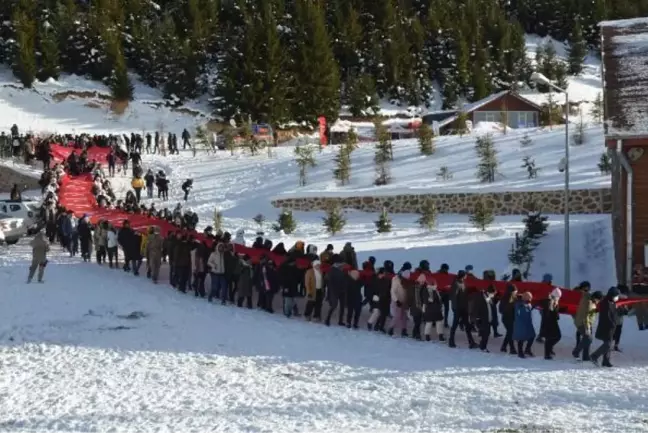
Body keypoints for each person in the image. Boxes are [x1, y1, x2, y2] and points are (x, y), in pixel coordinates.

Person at [591, 287, 620, 367]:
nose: (617, 297)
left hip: (611, 327)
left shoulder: (612, 302)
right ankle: (594, 356)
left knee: (609, 343)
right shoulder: (605, 303)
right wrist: (612, 323)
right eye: (616, 295)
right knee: (607, 344)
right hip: (606, 327)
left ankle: (606, 361)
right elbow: (606, 316)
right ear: (612, 295)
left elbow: (614, 314)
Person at [448, 270, 477, 348]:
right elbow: (453, 297)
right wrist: (455, 308)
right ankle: (451, 341)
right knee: (455, 325)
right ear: (463, 276)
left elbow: (464, 294)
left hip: (464, 308)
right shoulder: (456, 284)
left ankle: (471, 342)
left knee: (467, 326)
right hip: (458, 309)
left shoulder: (462, 283)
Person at [572, 289, 603, 361]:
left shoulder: (587, 298)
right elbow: (586, 317)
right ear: (595, 298)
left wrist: (595, 310)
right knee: (588, 338)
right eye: (598, 300)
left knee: (587, 339)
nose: (598, 302)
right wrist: (587, 328)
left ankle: (585, 357)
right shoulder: (589, 303)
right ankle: (576, 352)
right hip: (582, 322)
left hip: (584, 321)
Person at [540, 288, 562, 360]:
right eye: (558, 297)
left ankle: (549, 350)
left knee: (556, 337)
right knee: (550, 338)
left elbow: (555, 312)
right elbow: (548, 313)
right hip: (549, 323)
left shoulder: (555, 302)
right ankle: (547, 354)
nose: (558, 298)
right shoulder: (549, 302)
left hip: (553, 322)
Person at [513, 292, 536, 358]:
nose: (530, 300)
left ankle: (527, 349)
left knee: (532, 336)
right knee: (521, 338)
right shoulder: (519, 304)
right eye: (529, 298)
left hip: (528, 323)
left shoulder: (527, 304)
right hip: (521, 324)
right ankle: (520, 352)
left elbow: (527, 311)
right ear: (525, 298)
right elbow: (519, 313)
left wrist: (531, 307)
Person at [499, 284, 518, 354]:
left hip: (512, 319)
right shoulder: (505, 299)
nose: (516, 293)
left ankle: (503, 346)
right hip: (506, 319)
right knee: (510, 333)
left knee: (509, 333)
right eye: (515, 291)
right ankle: (512, 348)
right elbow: (501, 310)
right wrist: (510, 304)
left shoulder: (515, 298)